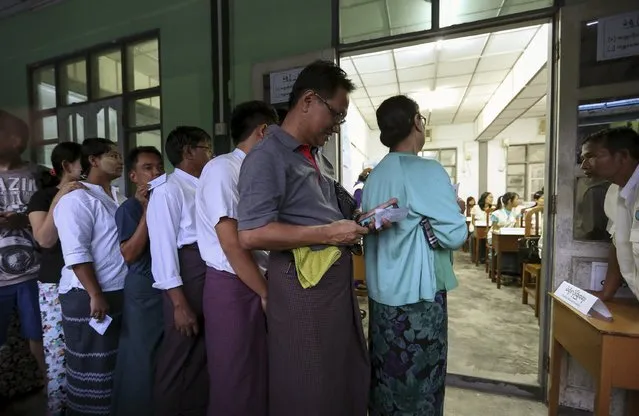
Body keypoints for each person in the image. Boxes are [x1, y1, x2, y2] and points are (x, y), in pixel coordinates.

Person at [237, 60, 371, 416]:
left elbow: (326, 214)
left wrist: (363, 220)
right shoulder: (267, 157)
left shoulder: (316, 158)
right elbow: (251, 234)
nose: (338, 128)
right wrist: (328, 233)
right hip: (302, 289)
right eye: (337, 116)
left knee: (339, 375)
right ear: (309, 100)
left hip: (330, 286)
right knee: (308, 383)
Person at [362, 95, 467, 416]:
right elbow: (455, 233)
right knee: (419, 385)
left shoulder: (376, 175)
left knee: (385, 381)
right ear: (417, 122)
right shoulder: (426, 170)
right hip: (417, 300)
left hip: (382, 298)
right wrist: (450, 213)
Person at [196, 101, 277, 416]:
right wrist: (265, 292)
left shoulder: (255, 171)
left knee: (256, 374)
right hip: (233, 285)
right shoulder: (223, 169)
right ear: (263, 131)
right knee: (235, 379)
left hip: (253, 281)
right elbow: (231, 243)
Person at [53, 138, 127, 416]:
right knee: (89, 366)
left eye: (119, 155)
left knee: (110, 364)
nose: (119, 160)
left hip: (117, 289)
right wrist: (95, 293)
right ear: (93, 161)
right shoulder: (77, 199)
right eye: (112, 155)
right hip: (88, 294)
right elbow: (76, 252)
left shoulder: (117, 196)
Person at [147, 126, 212, 416]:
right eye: (206, 148)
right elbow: (162, 250)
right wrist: (178, 303)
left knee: (201, 353)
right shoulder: (168, 190)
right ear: (188, 152)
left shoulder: (205, 184)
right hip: (185, 273)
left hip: (207, 267)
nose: (211, 155)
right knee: (178, 353)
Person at [27, 142, 84, 415]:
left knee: (84, 349)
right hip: (53, 282)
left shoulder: (90, 192)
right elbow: (45, 239)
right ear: (67, 166)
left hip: (88, 279)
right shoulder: (43, 197)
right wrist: (60, 196)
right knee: (59, 352)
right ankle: (58, 409)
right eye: (83, 161)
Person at [111, 146, 165, 416]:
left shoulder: (167, 199)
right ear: (133, 176)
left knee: (163, 357)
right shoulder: (129, 209)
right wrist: (146, 211)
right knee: (142, 357)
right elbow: (130, 254)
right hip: (143, 289)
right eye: (147, 168)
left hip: (165, 286)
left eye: (159, 167)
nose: (155, 172)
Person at [0, 110, 47, 393]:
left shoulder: (39, 175)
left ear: (15, 140)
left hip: (33, 272)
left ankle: (47, 386)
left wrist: (24, 221)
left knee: (37, 333)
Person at [580, 127, 639, 301]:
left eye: (591, 157)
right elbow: (617, 243)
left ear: (623, 156)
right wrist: (606, 294)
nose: (584, 165)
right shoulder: (614, 193)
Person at [488, 192, 522, 280]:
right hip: (495, 236)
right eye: (517, 199)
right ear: (510, 201)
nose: (519, 201)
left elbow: (517, 227)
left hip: (510, 236)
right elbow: (495, 228)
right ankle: (501, 271)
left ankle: (514, 272)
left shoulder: (517, 212)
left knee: (517, 246)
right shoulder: (496, 213)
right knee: (504, 246)